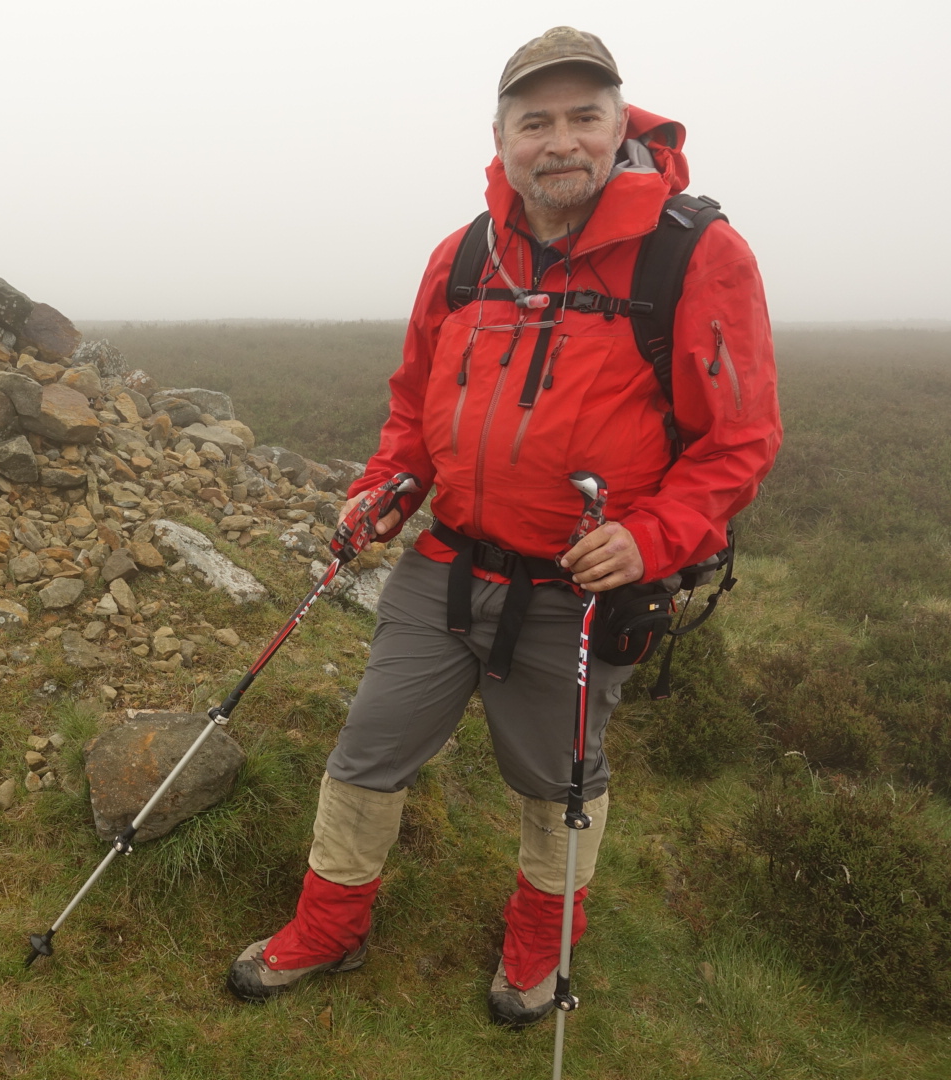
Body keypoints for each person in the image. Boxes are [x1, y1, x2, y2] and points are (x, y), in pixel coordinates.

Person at [225, 26, 781, 1027]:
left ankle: (537, 946)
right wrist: (387, 482)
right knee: (365, 751)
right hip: (443, 568)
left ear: (619, 125)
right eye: (535, 121)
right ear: (499, 134)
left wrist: (651, 541)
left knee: (556, 782)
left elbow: (736, 443)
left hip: (577, 592)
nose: (558, 141)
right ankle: (329, 925)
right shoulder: (464, 254)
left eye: (582, 116)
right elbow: (413, 402)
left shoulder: (695, 254)